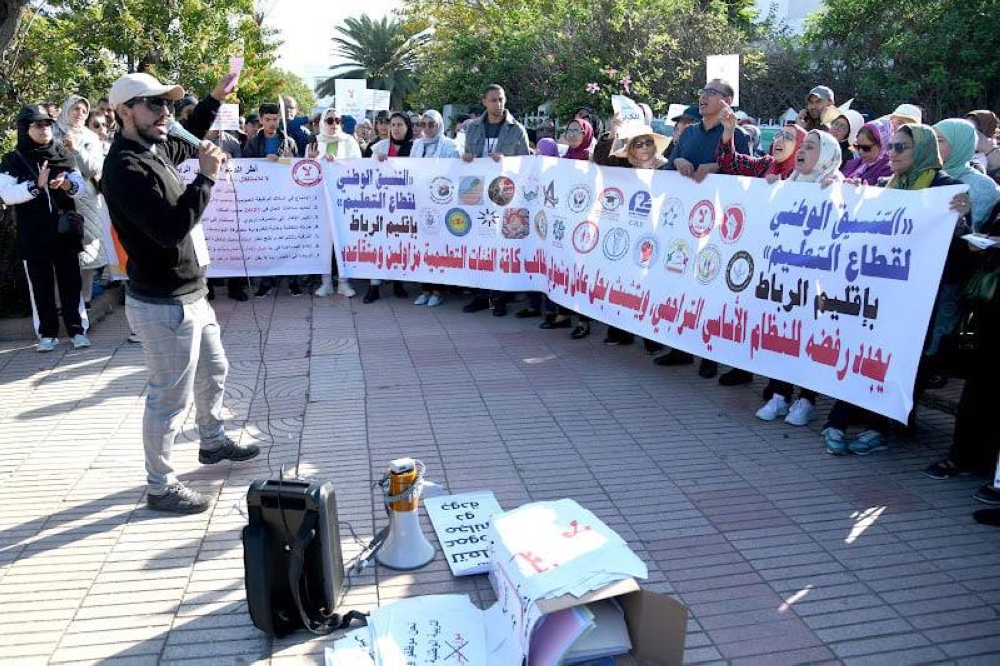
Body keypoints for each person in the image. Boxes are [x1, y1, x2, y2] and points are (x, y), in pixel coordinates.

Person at [101, 71, 259, 514]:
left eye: (167, 103)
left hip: (190, 293)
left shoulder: (152, 147)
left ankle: (212, 440)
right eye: (154, 104)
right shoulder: (125, 166)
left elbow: (186, 136)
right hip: (162, 303)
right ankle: (161, 485)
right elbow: (170, 229)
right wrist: (206, 178)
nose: (165, 113)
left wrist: (214, 98)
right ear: (124, 111)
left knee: (215, 369)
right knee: (169, 398)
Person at [822, 124, 972, 456]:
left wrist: (961, 220)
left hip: (919, 297)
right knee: (864, 352)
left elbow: (962, 249)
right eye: (891, 147)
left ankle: (877, 429)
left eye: (901, 148)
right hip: (881, 292)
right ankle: (837, 421)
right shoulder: (886, 186)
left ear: (923, 151)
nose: (892, 153)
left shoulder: (946, 189)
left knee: (896, 359)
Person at [660, 79, 751, 379]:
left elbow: (746, 175)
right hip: (685, 224)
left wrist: (718, 167)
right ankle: (681, 348)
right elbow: (668, 168)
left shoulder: (736, 135)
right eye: (703, 92)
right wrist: (679, 159)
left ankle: (710, 354)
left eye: (712, 92)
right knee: (682, 285)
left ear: (727, 101)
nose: (704, 97)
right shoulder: (688, 133)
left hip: (719, 227)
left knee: (711, 290)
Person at [1, 105, 89, 352]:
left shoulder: (62, 153)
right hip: (33, 233)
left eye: (47, 124)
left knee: (71, 282)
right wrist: (35, 186)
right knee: (40, 285)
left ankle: (78, 330)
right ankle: (47, 334)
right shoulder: (13, 159)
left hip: (65, 232)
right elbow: (6, 194)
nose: (44, 129)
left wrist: (67, 185)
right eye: (38, 125)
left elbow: (80, 188)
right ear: (25, 129)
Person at [460, 84, 530, 317]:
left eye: (501, 99)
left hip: (504, 197)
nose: (498, 104)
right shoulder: (472, 128)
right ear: (484, 101)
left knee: (502, 248)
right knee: (479, 247)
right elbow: (467, 159)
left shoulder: (516, 129)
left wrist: (506, 162)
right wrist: (466, 159)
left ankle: (499, 298)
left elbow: (526, 165)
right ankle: (481, 296)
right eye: (493, 100)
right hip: (478, 197)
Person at [540, 118, 594, 337]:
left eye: (577, 130)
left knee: (581, 273)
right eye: (569, 130)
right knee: (564, 269)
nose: (572, 134)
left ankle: (583, 321)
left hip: (585, 224)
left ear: (586, 133)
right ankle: (563, 315)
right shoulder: (564, 159)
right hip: (564, 222)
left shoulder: (592, 158)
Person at [54, 95, 108, 308]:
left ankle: (85, 299)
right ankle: (61, 303)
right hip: (58, 195)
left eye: (84, 110)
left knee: (86, 249)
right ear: (66, 109)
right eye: (75, 109)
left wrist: (76, 149)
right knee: (59, 251)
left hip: (86, 197)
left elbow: (94, 168)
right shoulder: (53, 132)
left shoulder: (90, 137)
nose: (80, 113)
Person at [243, 102, 301, 297]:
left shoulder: (289, 142)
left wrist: (286, 159)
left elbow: (297, 168)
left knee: (287, 241)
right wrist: (263, 161)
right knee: (264, 243)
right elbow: (245, 168)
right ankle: (265, 282)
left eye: (275, 119)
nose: (272, 123)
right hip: (261, 202)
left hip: (285, 200)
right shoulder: (252, 143)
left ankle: (292, 281)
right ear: (260, 120)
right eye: (267, 119)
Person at [307, 108, 361, 298]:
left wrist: (338, 163)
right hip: (321, 198)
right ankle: (326, 283)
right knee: (324, 243)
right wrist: (314, 159)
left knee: (343, 241)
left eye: (338, 120)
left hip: (345, 200)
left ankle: (344, 283)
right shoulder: (315, 141)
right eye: (330, 121)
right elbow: (306, 169)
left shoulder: (349, 141)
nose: (334, 124)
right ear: (323, 122)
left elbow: (358, 167)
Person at [410, 110, 460, 307]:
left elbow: (455, 173)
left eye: (432, 124)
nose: (427, 128)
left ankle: (438, 291)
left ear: (439, 125)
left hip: (442, 203)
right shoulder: (417, 145)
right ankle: (425, 289)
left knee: (439, 248)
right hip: (420, 203)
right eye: (423, 124)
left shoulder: (450, 145)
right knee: (422, 247)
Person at [364, 111, 416, 303]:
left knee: (400, 244)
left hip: (405, 205)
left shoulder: (415, 148)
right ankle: (374, 286)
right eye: (392, 125)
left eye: (399, 125)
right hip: (380, 204)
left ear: (408, 127)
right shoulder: (377, 147)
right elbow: (364, 173)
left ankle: (398, 284)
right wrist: (374, 161)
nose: (395, 128)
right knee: (378, 243)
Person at [935, 118, 1000, 231]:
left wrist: (964, 220)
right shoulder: (922, 176)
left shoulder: (984, 187)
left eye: (939, 140)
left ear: (960, 144)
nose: (932, 145)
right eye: (932, 139)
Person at [842, 119, 893, 185]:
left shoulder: (888, 168)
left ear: (882, 144)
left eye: (866, 148)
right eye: (857, 146)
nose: (860, 152)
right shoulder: (852, 163)